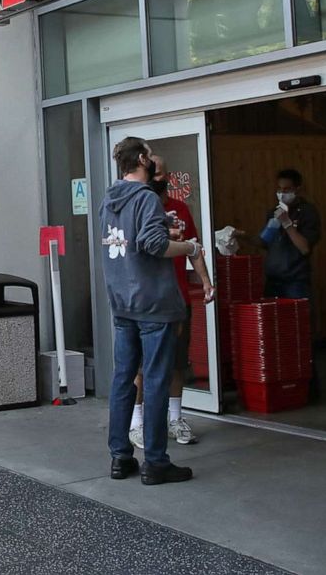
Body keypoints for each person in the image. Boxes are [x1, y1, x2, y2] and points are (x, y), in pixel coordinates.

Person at [100, 136, 204, 486]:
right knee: (157, 378)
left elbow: (130, 241)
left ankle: (120, 456)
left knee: (123, 378)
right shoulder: (144, 197)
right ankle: (156, 461)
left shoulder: (110, 198)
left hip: (122, 299)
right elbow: (153, 245)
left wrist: (163, 228)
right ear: (143, 158)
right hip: (152, 302)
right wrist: (188, 244)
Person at [127, 157, 214, 449]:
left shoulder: (179, 208)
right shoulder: (136, 206)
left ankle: (175, 417)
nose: (158, 177)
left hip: (175, 296)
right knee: (142, 364)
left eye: (162, 172)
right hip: (145, 300)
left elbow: (194, 248)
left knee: (177, 361)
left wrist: (205, 280)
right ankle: (137, 422)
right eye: (154, 172)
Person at [257, 168, 320, 300]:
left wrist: (287, 224)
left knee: (295, 319)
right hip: (273, 280)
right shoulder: (274, 212)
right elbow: (263, 242)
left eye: (286, 189)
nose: (282, 193)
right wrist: (240, 235)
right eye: (279, 189)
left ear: (297, 189)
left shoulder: (307, 212)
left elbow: (304, 248)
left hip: (295, 281)